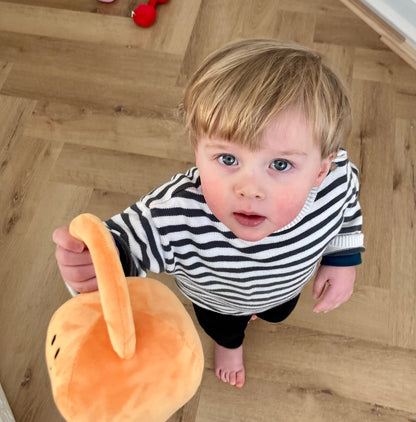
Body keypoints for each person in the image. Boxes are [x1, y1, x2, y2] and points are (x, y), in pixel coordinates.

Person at [53, 39, 364, 388]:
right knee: (225, 327)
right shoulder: (178, 212)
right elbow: (125, 242)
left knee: (277, 312)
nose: (249, 188)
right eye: (228, 159)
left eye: (280, 164)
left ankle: (262, 311)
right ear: (197, 152)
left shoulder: (336, 179)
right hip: (217, 300)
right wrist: (95, 262)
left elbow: (347, 208)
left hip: (287, 286)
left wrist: (342, 259)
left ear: (321, 171)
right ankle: (229, 345)